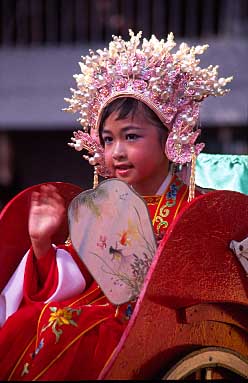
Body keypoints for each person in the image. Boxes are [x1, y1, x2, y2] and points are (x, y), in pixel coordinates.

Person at [0, 30, 232, 380]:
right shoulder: (103, 211)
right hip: (96, 315)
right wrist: (41, 246)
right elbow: (76, 277)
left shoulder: (199, 211)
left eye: (131, 136)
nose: (117, 152)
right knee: (34, 322)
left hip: (155, 331)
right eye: (108, 139)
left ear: (171, 138)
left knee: (70, 332)